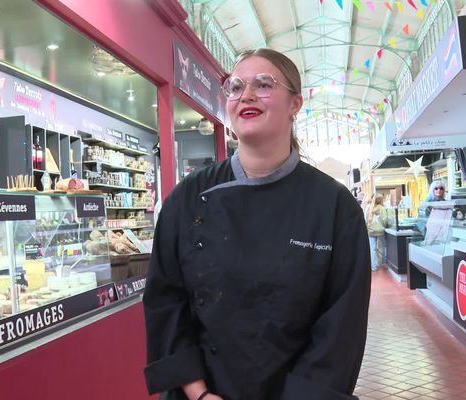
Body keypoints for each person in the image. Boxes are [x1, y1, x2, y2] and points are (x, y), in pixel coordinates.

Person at [143, 48, 371, 400]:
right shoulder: (188, 198)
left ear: (296, 103)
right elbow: (166, 299)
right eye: (235, 87)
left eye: (263, 84)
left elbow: (342, 325)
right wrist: (198, 393)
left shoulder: (334, 206)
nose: (245, 95)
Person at [365, 194, 388, 271]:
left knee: (373, 249)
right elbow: (385, 219)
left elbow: (365, 219)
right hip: (381, 230)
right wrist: (384, 226)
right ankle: (384, 262)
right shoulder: (382, 208)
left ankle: (374, 266)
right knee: (384, 246)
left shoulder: (369, 208)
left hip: (371, 230)